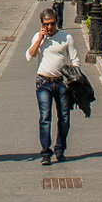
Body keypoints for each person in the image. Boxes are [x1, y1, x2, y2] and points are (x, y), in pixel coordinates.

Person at [26, 8, 80, 165]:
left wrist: (73, 78)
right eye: (45, 24)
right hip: (43, 82)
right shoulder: (39, 37)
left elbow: (75, 59)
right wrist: (39, 41)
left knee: (64, 117)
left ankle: (60, 149)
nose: (49, 27)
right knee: (45, 117)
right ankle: (45, 152)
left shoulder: (66, 38)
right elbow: (29, 57)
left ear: (57, 22)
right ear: (41, 24)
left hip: (62, 82)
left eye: (51, 24)